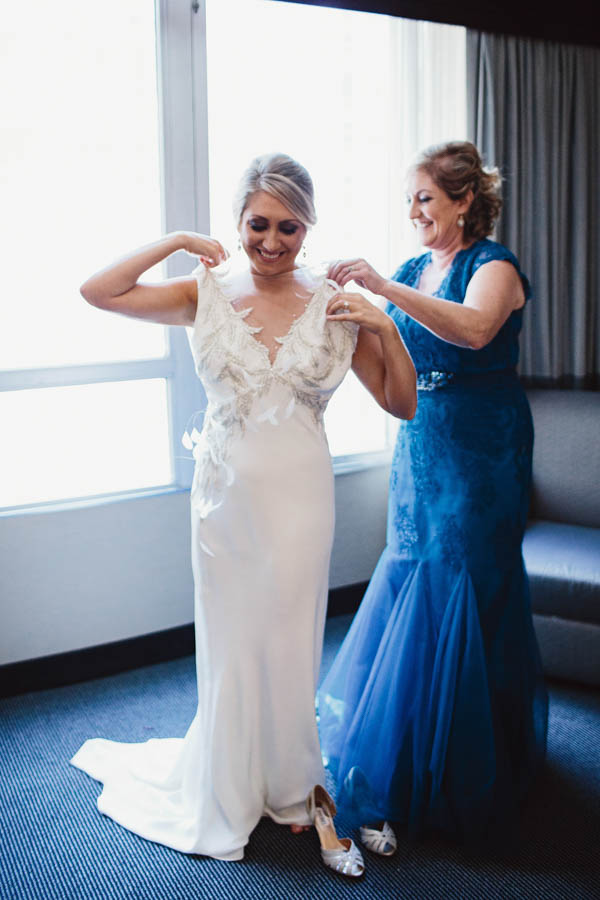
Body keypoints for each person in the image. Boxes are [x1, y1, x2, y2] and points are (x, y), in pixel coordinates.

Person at [70, 152, 416, 869]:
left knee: (290, 644)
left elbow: (403, 402)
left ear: (308, 227)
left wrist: (383, 327)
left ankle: (293, 786)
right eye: (258, 223)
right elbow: (97, 291)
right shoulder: (207, 291)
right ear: (238, 220)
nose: (271, 241)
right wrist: (175, 241)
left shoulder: (333, 301)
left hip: (302, 504)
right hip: (225, 505)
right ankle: (229, 788)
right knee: (232, 647)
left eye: (289, 227)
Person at [318, 141, 548, 852]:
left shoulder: (494, 266)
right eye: (409, 200)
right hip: (422, 439)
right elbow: (398, 348)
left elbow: (475, 332)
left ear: (463, 201)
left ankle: (477, 761)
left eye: (424, 198)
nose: (414, 211)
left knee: (468, 584)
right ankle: (413, 749)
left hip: (484, 444)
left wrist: (385, 291)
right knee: (414, 575)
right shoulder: (420, 268)